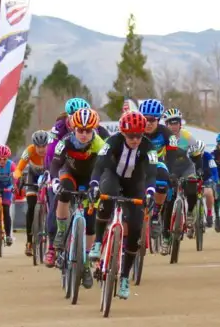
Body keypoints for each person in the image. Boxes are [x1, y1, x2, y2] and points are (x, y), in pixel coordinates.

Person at [88, 110, 157, 300]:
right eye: (131, 136)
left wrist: (150, 192)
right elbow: (100, 165)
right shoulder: (113, 142)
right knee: (107, 197)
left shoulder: (148, 147)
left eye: (139, 135)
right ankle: (98, 241)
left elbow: (151, 172)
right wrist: (94, 184)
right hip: (113, 177)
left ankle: (125, 276)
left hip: (135, 184)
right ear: (123, 133)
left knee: (135, 228)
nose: (135, 139)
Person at [48, 107, 105, 289]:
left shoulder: (100, 145)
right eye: (80, 130)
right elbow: (55, 164)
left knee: (90, 222)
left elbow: (106, 168)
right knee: (64, 190)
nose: (83, 134)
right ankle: (61, 230)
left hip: (90, 179)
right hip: (69, 174)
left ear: (94, 130)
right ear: (74, 129)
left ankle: (86, 263)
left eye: (88, 131)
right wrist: (55, 181)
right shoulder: (65, 142)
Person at [139, 99, 178, 238]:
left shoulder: (167, 134)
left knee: (162, 182)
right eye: (145, 119)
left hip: (158, 162)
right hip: (138, 162)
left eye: (152, 120)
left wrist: (172, 173)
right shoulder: (135, 129)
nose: (148, 123)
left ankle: (155, 214)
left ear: (159, 120)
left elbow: (172, 156)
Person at [14, 129, 49, 257]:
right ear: (34, 145)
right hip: (32, 176)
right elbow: (19, 168)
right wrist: (18, 178)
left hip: (47, 176)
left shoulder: (51, 150)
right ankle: (29, 242)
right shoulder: (29, 150)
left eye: (43, 146)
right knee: (30, 207)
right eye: (38, 146)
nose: (41, 149)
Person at [190, 139, 218, 234]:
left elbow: (214, 170)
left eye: (199, 154)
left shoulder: (208, 156)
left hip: (206, 178)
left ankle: (209, 214)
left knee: (209, 193)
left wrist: (213, 179)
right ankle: (190, 220)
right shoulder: (188, 156)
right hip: (192, 178)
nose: (197, 157)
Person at [0, 144, 15, 247]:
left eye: (4, 159)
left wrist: (15, 185)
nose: (2, 161)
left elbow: (16, 175)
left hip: (7, 187)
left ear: (7, 158)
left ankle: (8, 235)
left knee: (6, 209)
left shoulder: (11, 165)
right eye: (0, 159)